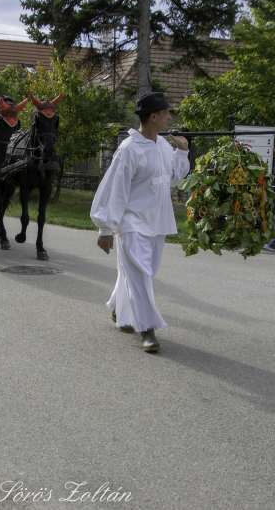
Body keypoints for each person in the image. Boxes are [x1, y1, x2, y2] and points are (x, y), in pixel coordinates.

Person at [90, 92, 190, 353]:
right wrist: (105, 228)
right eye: (166, 113)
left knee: (142, 273)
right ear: (153, 117)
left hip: (157, 221)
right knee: (141, 274)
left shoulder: (163, 146)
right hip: (132, 223)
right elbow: (115, 190)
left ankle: (120, 310)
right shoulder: (129, 150)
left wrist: (182, 150)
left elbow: (174, 179)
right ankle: (147, 328)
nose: (170, 117)